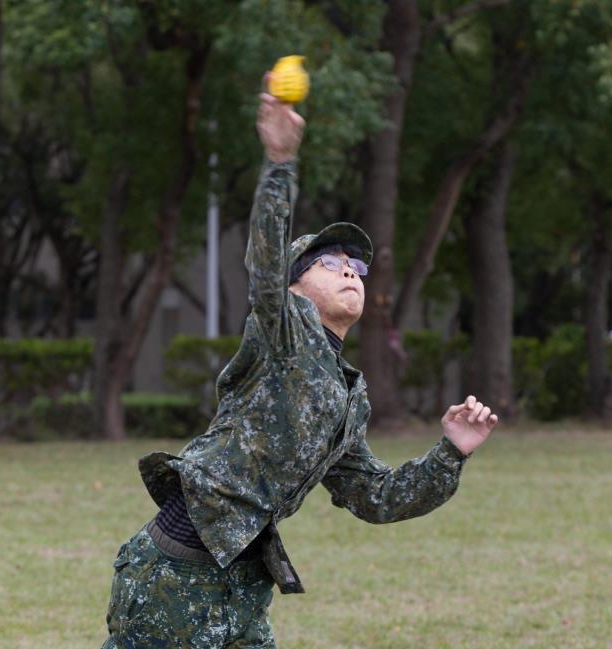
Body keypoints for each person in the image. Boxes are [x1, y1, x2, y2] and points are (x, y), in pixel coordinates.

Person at [101, 77, 499, 649]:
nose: (348, 272)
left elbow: (376, 497)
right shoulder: (281, 330)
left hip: (240, 585)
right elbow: (264, 263)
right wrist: (280, 162)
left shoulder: (347, 394)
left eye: (355, 268)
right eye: (330, 262)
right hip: (173, 575)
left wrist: (450, 454)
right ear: (291, 289)